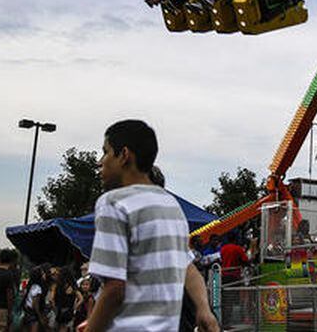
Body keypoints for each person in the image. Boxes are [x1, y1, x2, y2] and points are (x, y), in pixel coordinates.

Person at [84, 119, 217, 332]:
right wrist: (204, 309)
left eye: (106, 152)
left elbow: (114, 289)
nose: (101, 162)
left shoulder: (113, 203)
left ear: (124, 155)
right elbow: (188, 269)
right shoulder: (171, 206)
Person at [19, 267, 47, 332]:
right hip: (33, 314)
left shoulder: (30, 285)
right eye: (42, 274)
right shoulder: (38, 288)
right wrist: (40, 317)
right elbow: (35, 304)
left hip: (26, 311)